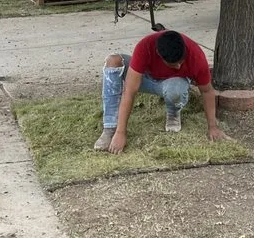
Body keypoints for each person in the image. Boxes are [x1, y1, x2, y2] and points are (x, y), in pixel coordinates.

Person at [94, 30, 228, 154]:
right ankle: (110, 128)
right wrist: (121, 132)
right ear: (158, 53)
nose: (179, 66)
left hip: (172, 84)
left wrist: (212, 127)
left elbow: (207, 91)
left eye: (181, 61)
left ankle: (173, 112)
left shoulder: (195, 55)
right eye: (174, 64)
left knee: (176, 89)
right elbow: (129, 92)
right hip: (146, 78)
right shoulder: (145, 46)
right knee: (113, 61)